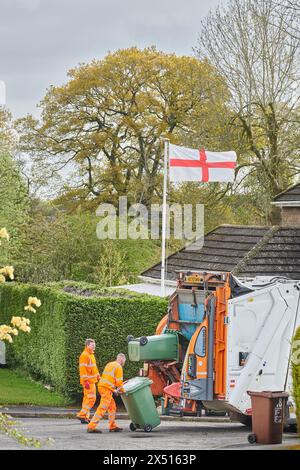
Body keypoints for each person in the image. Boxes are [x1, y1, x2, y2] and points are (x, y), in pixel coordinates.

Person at [87, 353, 126, 433]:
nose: (123, 363)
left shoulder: (110, 364)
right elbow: (119, 382)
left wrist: (114, 390)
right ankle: (91, 426)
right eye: (124, 361)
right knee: (103, 407)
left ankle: (112, 426)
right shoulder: (118, 367)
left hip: (103, 387)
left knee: (112, 407)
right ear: (121, 359)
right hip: (106, 389)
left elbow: (108, 379)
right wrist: (123, 391)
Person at [77, 339, 100, 424]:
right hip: (88, 382)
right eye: (92, 345)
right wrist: (85, 381)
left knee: (87, 399)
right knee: (91, 399)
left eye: (94, 345)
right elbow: (82, 369)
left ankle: (85, 417)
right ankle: (82, 415)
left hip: (91, 381)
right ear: (87, 345)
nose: (94, 346)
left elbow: (94, 367)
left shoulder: (91, 355)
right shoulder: (84, 355)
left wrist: (98, 376)